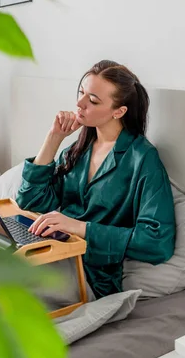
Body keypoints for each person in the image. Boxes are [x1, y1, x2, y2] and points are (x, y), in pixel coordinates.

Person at [17, 60, 176, 300]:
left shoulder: (142, 158)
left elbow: (157, 242)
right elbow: (30, 203)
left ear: (119, 111)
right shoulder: (77, 150)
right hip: (50, 252)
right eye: (81, 93)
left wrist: (80, 227)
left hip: (89, 274)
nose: (79, 104)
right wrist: (53, 138)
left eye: (92, 100)